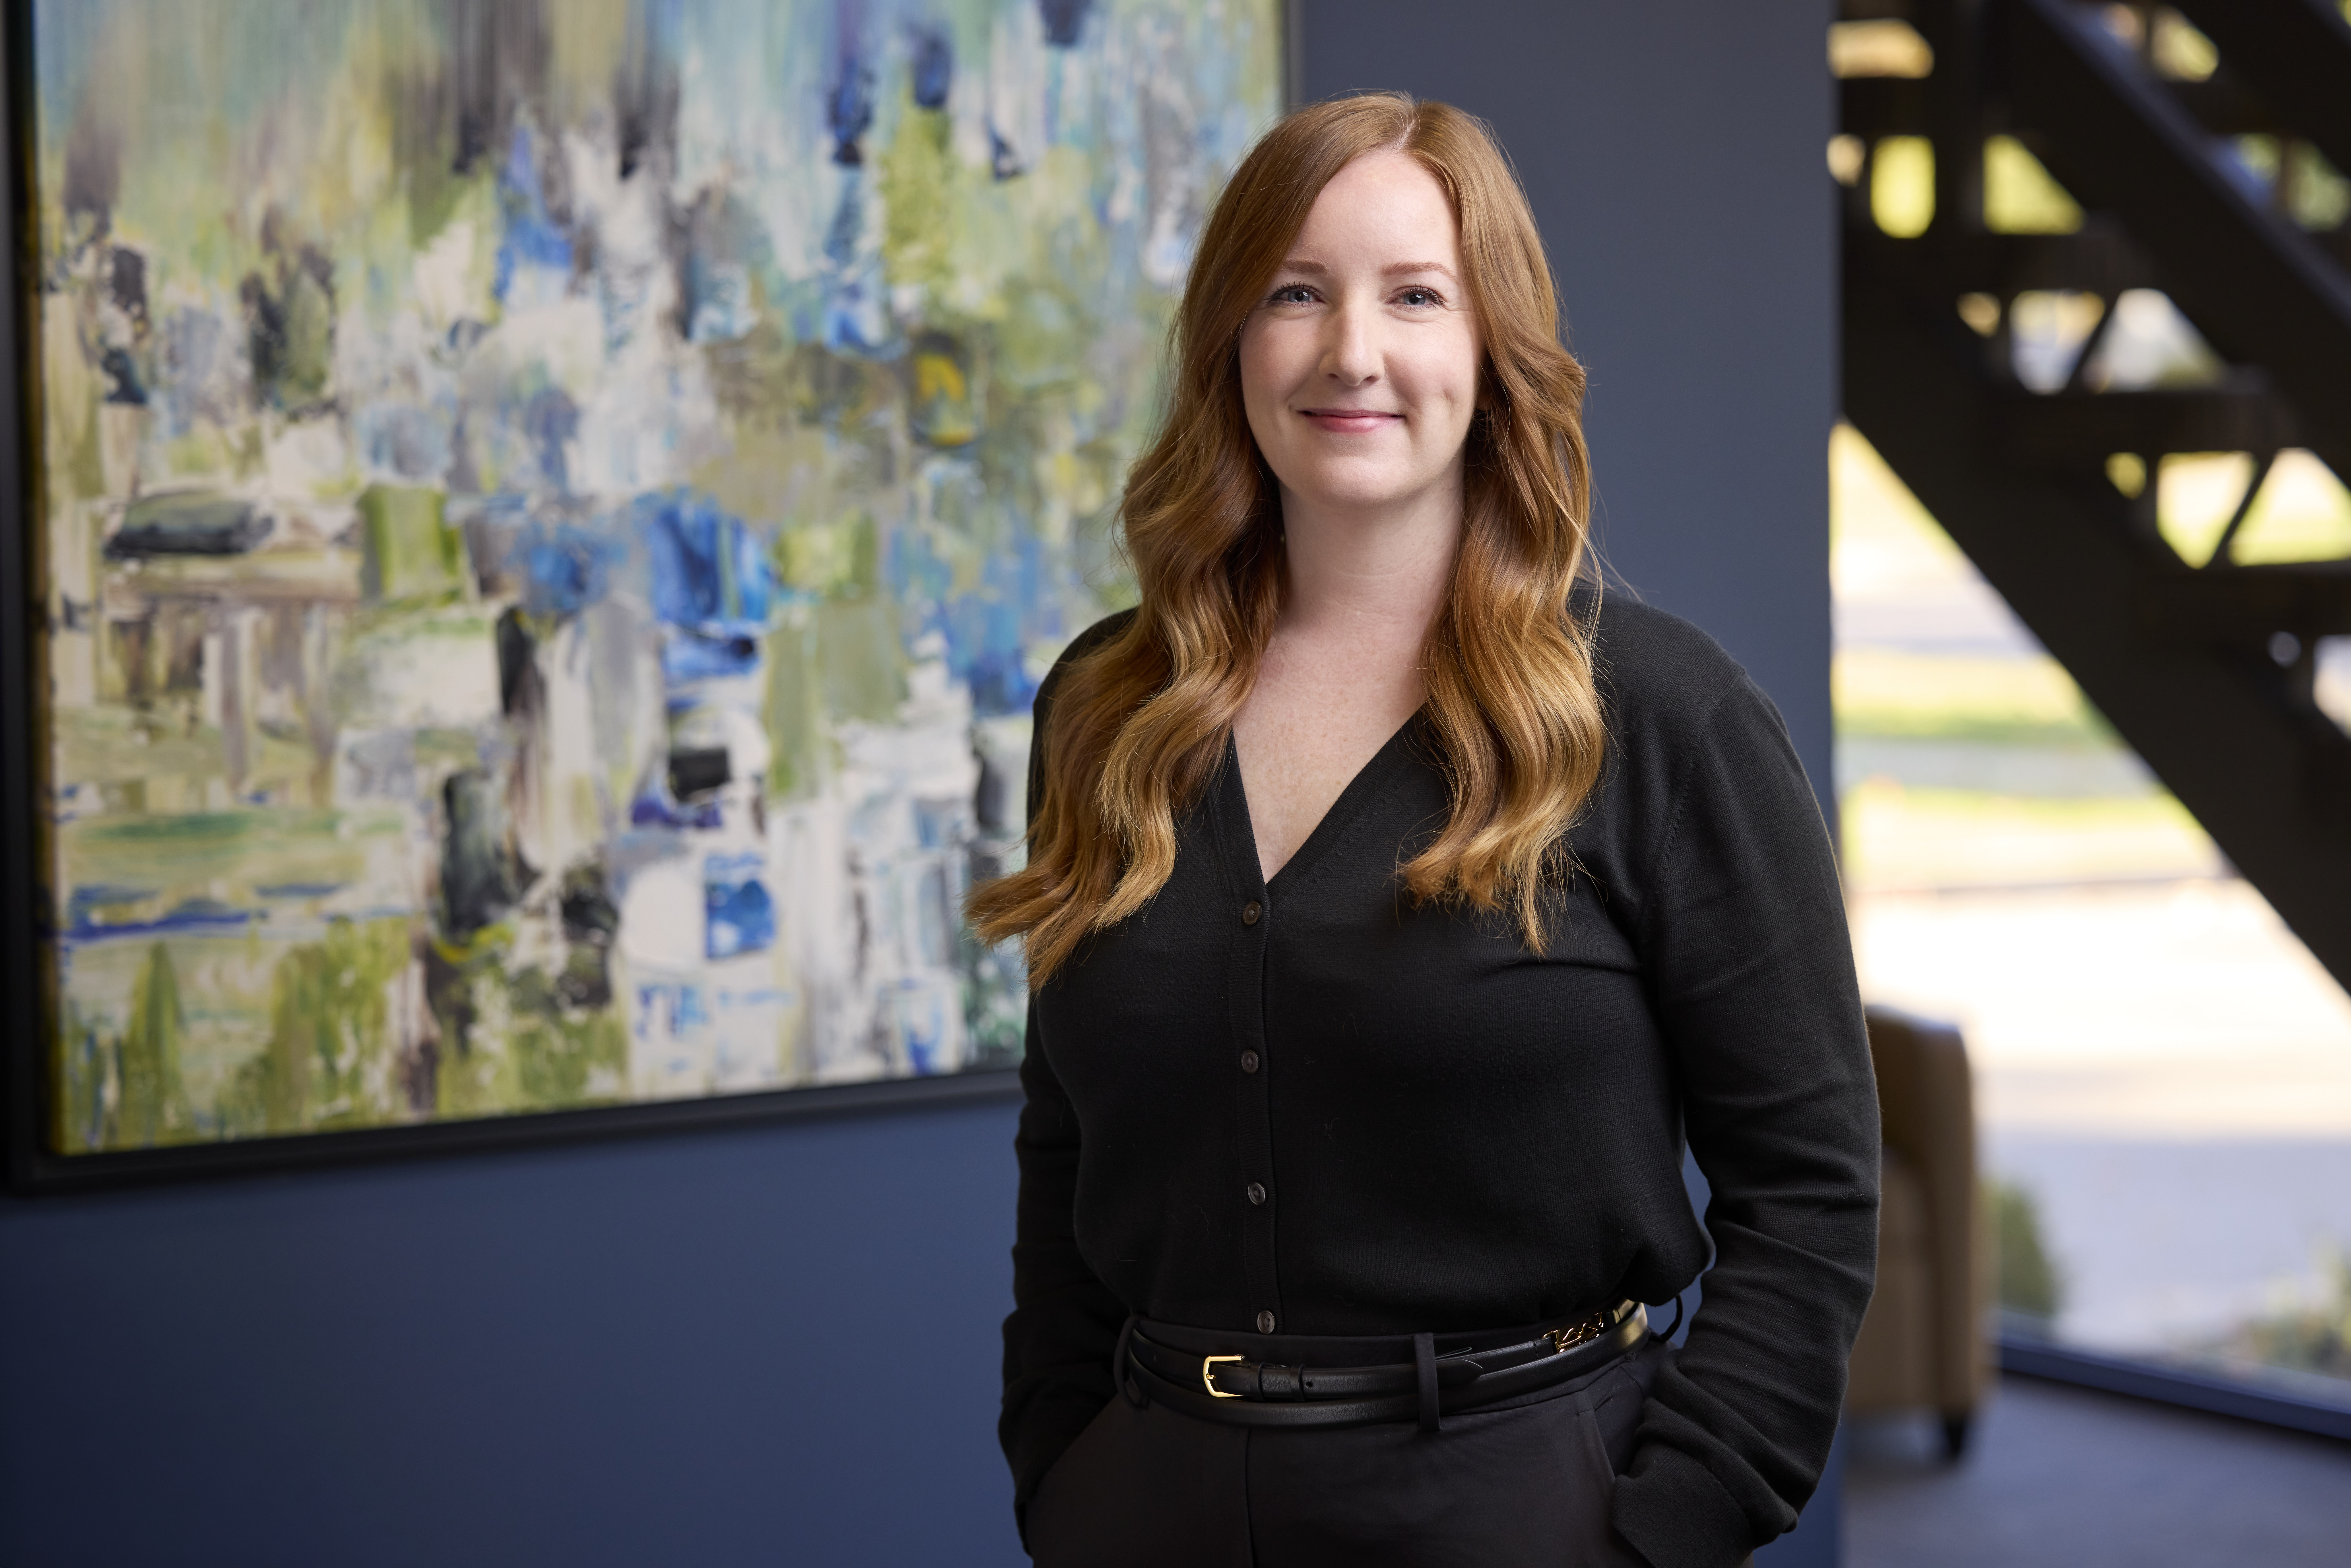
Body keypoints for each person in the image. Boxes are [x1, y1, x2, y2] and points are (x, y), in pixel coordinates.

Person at [969, 92, 1878, 1568]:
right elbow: (1064, 1146)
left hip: (1521, 1509)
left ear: (1487, 348)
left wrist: (1668, 1527)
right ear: (1230, 343)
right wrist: (1060, 1471)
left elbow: (1811, 1189)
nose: (1351, 353)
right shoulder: (1104, 703)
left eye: (1412, 297)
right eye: (1295, 294)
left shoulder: (1656, 714)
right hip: (1152, 1508)